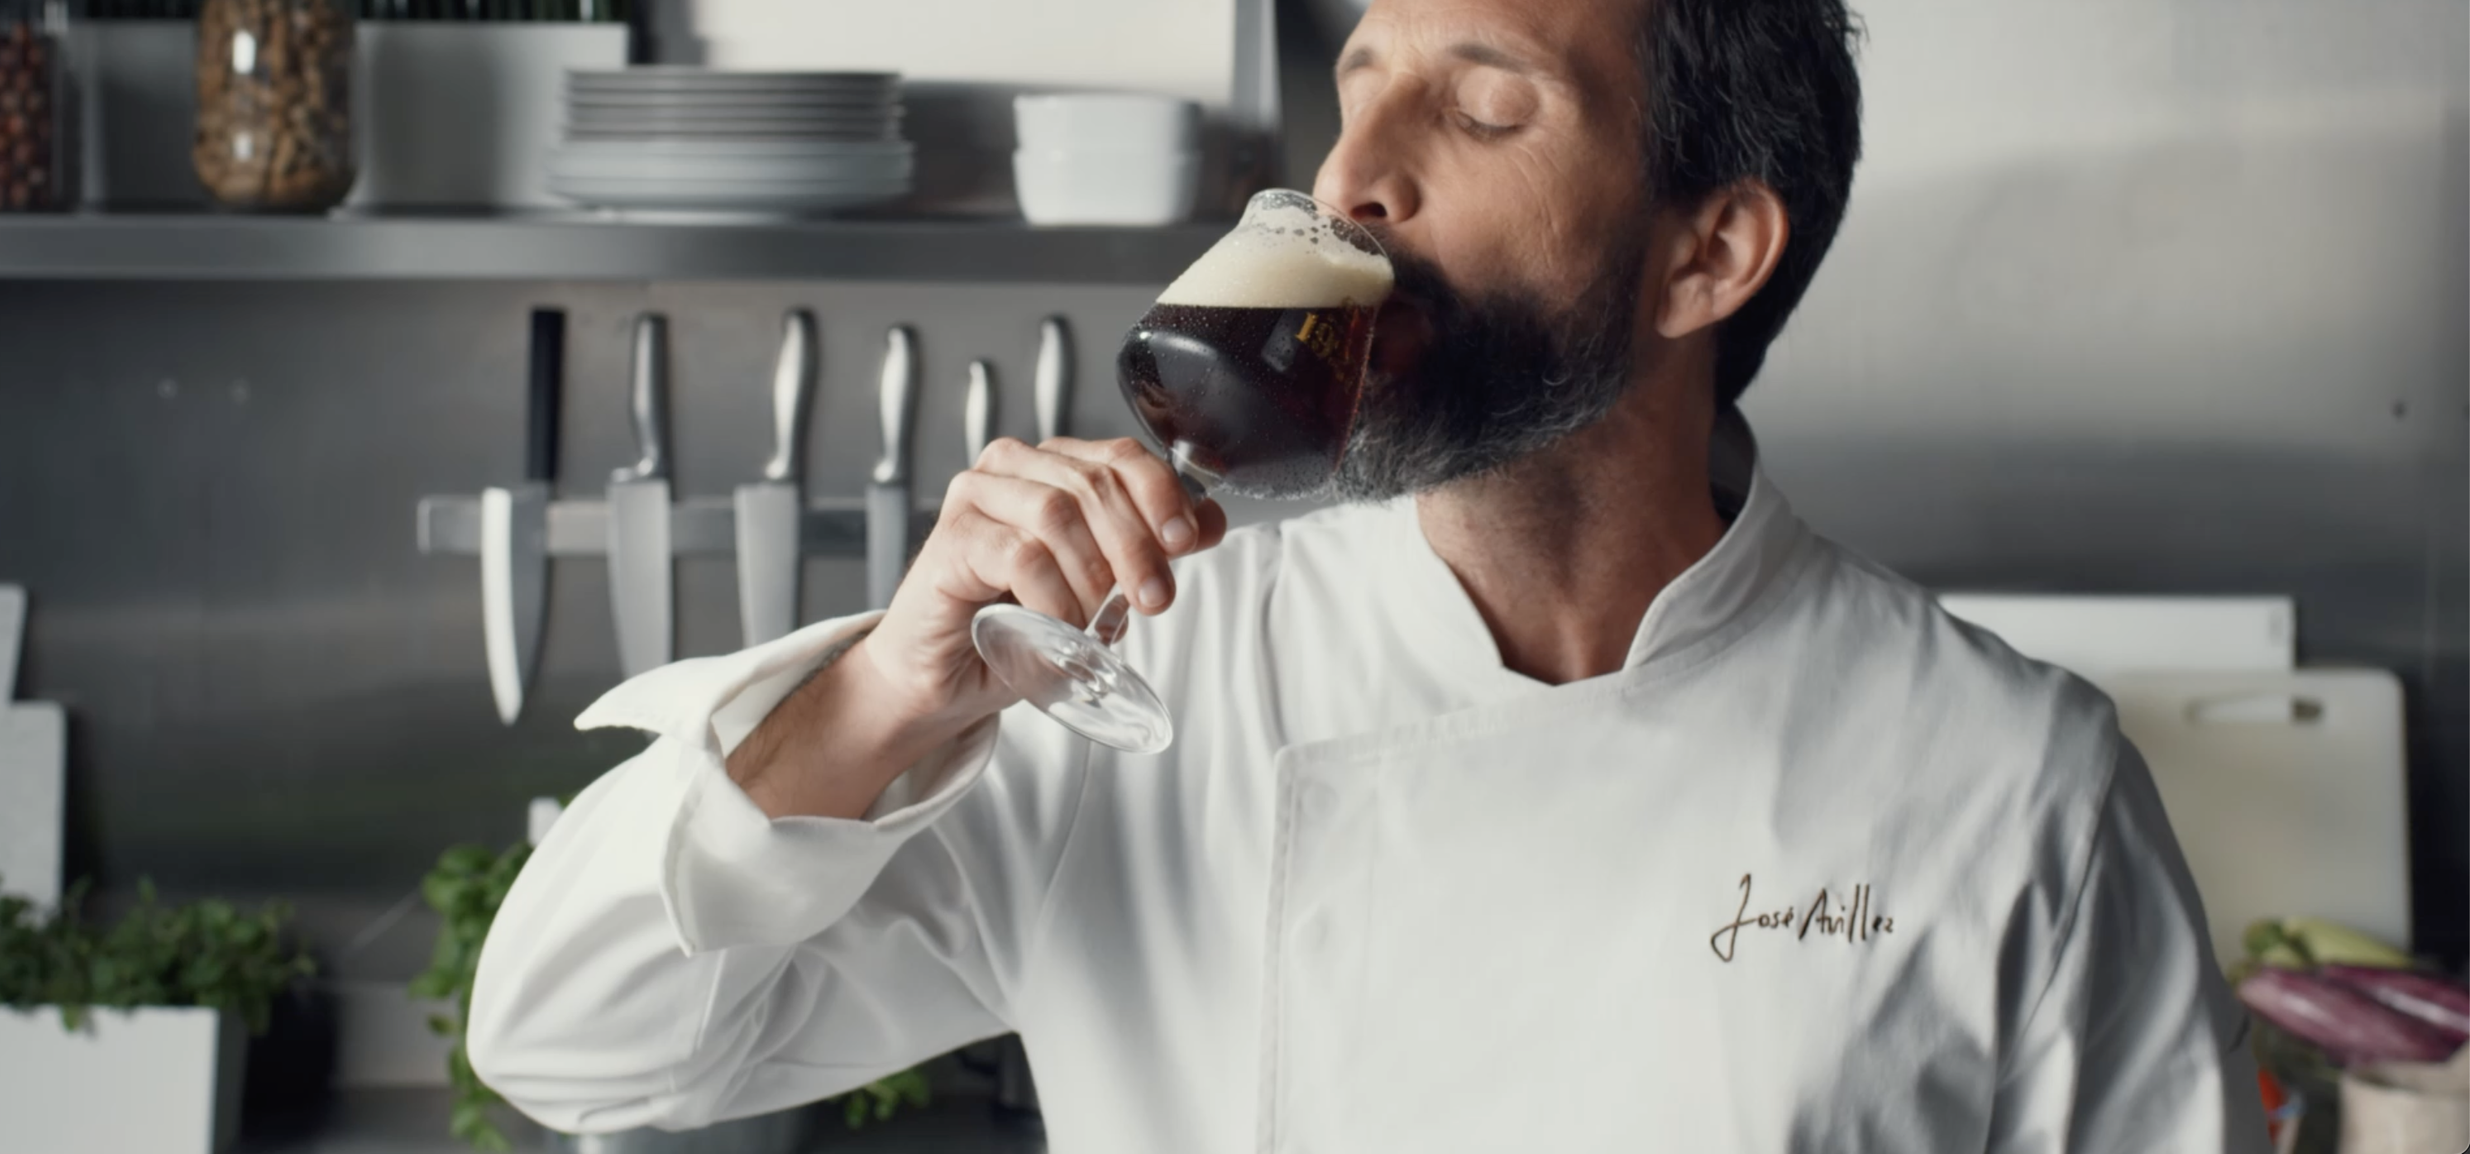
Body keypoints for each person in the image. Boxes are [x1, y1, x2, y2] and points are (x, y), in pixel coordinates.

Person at [469, 0, 2269, 1148]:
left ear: (1708, 252)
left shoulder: (2007, 780)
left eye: (1479, 111)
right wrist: (877, 696)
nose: (1349, 180)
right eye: (1358, 85)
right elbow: (573, 1043)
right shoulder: (1145, 681)